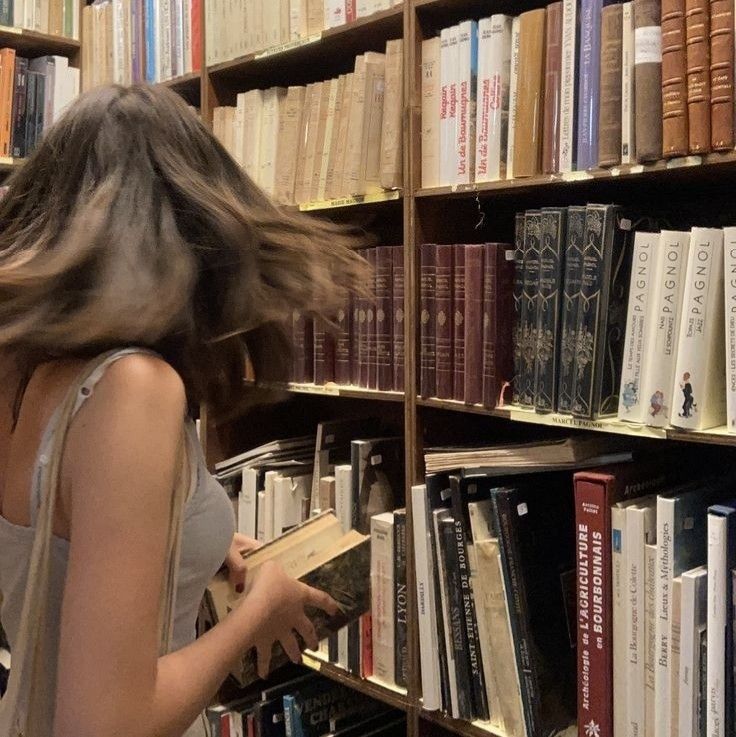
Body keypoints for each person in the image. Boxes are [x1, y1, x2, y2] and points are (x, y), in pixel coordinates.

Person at [0, 84, 368, 737]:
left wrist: (191, 541)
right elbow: (105, 724)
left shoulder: (17, 369)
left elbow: (50, 537)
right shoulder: (134, 388)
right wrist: (257, 614)